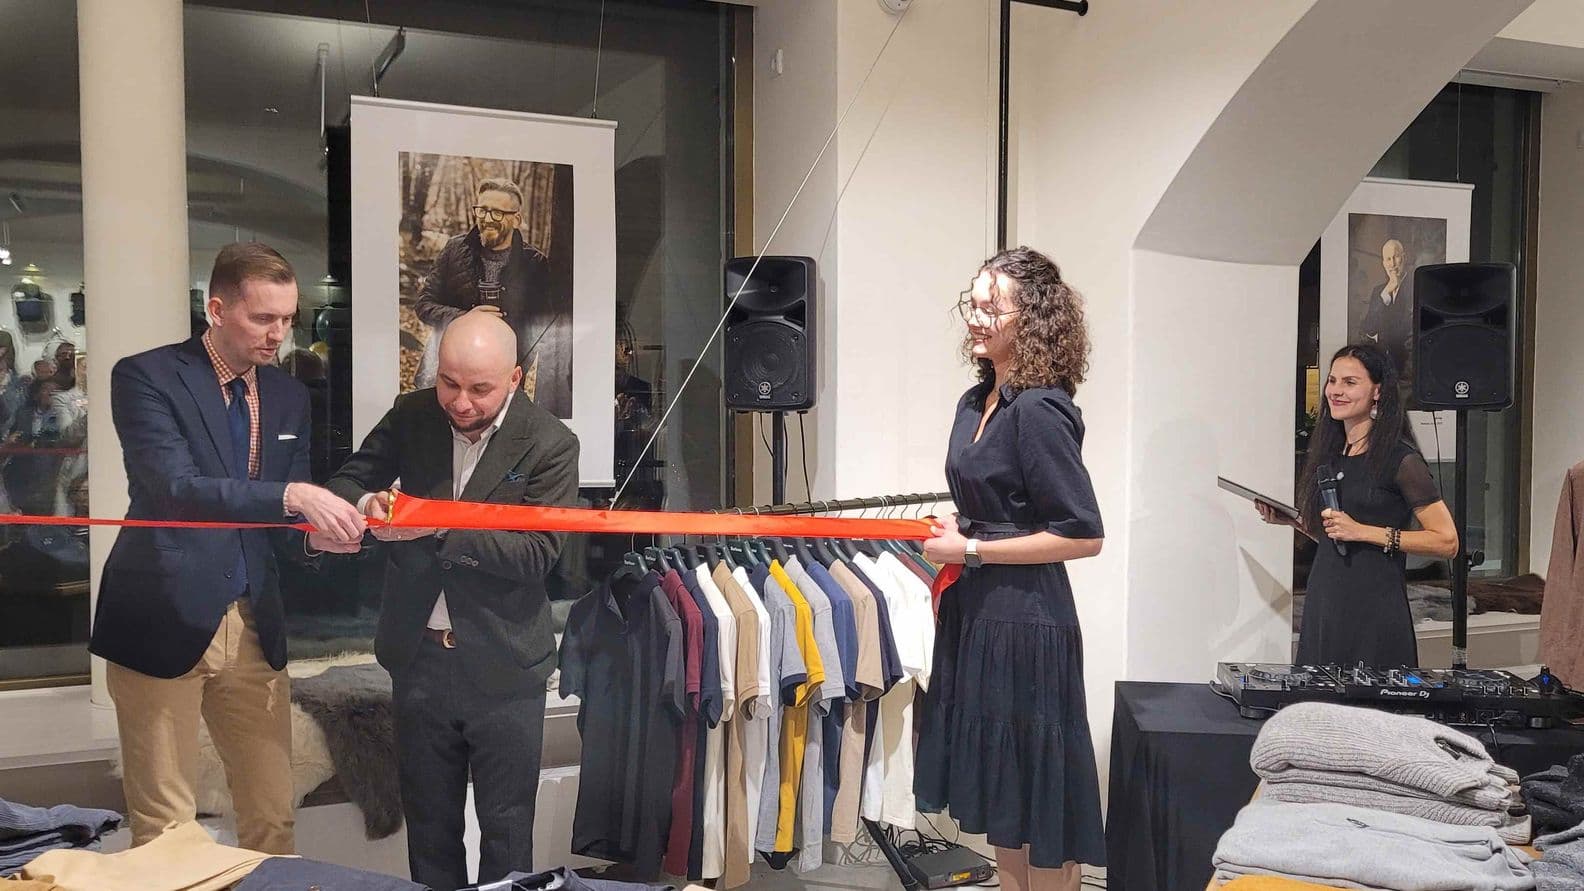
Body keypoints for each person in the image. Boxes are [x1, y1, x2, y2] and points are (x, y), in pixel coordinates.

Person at [89, 243, 366, 854]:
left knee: (273, 818)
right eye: (263, 318)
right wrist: (293, 496)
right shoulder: (145, 375)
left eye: (289, 318)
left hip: (252, 623)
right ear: (216, 309)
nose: (279, 334)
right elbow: (174, 491)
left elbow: (281, 524)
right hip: (162, 611)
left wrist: (321, 538)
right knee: (165, 831)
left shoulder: (290, 396)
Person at [327, 311, 579, 890]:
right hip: (418, 659)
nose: (460, 402)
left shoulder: (550, 443)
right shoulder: (412, 415)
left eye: (479, 389)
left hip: (505, 662)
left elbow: (537, 554)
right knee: (429, 826)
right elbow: (345, 480)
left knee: (507, 829)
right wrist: (367, 505)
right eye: (448, 382)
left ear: (515, 379)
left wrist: (432, 524)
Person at [915, 247, 1107, 891]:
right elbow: (1000, 505)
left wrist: (970, 549)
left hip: (1027, 622)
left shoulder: (1039, 408)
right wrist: (962, 526)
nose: (976, 316)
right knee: (1005, 799)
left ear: (1032, 317)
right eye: (972, 302)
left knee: (1035, 798)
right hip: (979, 616)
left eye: (991, 305)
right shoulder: (977, 401)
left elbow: (1082, 535)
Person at [1258, 342, 1458, 666]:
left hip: (1374, 612)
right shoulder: (1333, 455)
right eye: (1333, 381)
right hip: (1325, 607)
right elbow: (1342, 540)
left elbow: (1447, 541)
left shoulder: (1401, 459)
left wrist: (1363, 531)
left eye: (1349, 383)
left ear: (1377, 392)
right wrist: (1296, 523)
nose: (1335, 391)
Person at [412, 178, 572, 418]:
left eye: (497, 213)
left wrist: (515, 372)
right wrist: (465, 318)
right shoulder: (455, 250)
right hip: (445, 378)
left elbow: (542, 332)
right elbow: (424, 305)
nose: (486, 219)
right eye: (482, 210)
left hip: (499, 387)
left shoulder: (535, 265)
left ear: (516, 219)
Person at [1358, 238, 1413, 380]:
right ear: (1383, 263)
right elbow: (1369, 328)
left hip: (1408, 370)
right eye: (1388, 259)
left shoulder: (1416, 286)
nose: (1392, 264)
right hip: (1383, 369)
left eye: (1396, 257)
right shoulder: (1379, 292)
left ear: (1404, 258)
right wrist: (1386, 293)